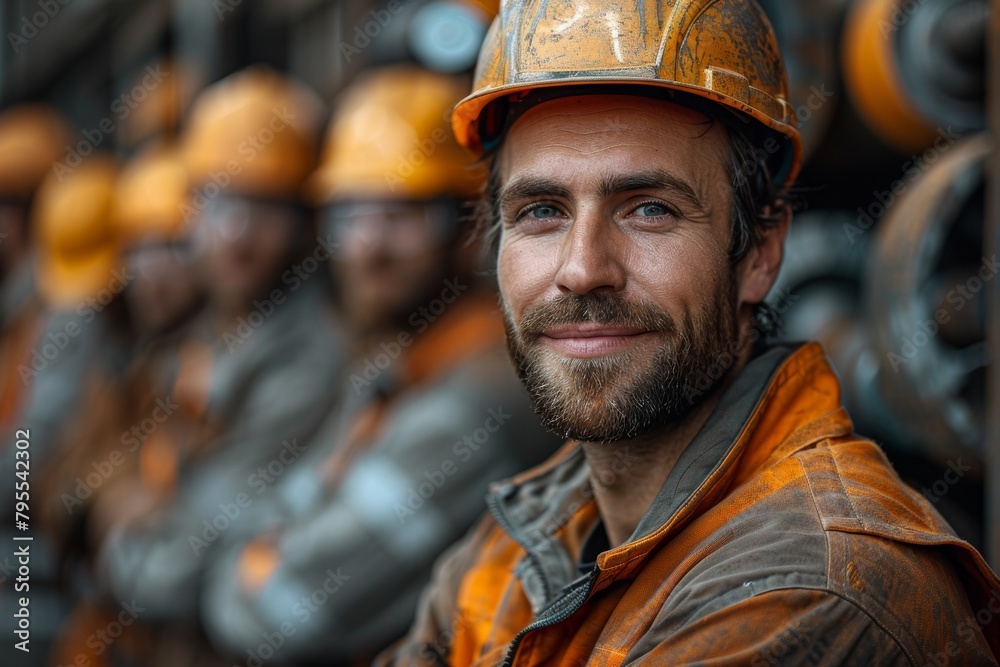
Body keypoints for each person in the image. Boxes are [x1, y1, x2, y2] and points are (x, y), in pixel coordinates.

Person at [379, 2, 1000, 665]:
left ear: (760, 251)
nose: (582, 270)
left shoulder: (812, 588)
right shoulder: (521, 538)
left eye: (650, 209)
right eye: (541, 211)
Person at [199, 65, 561, 665]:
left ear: (467, 231)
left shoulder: (474, 401)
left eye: (403, 217)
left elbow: (277, 614)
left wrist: (240, 560)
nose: (369, 247)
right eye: (349, 218)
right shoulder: (403, 368)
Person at [95, 67, 345, 660]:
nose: (237, 234)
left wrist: (109, 530)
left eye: (265, 208)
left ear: (305, 224)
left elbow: (172, 576)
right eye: (219, 201)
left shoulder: (305, 360)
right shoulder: (203, 331)